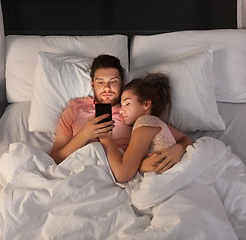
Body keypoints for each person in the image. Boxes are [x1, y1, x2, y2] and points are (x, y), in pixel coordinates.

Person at [49, 54, 192, 174]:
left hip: (117, 173)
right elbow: (54, 158)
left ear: (122, 83)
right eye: (100, 82)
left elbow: (180, 138)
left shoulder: (132, 110)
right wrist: (84, 134)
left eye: (113, 81)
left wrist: (177, 149)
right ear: (92, 84)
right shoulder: (76, 108)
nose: (106, 88)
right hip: (78, 172)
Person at [98, 73, 193, 183]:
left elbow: (122, 175)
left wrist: (105, 138)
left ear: (146, 104)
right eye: (121, 105)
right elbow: (187, 139)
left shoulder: (144, 122)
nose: (120, 110)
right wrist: (179, 148)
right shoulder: (157, 123)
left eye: (127, 103)